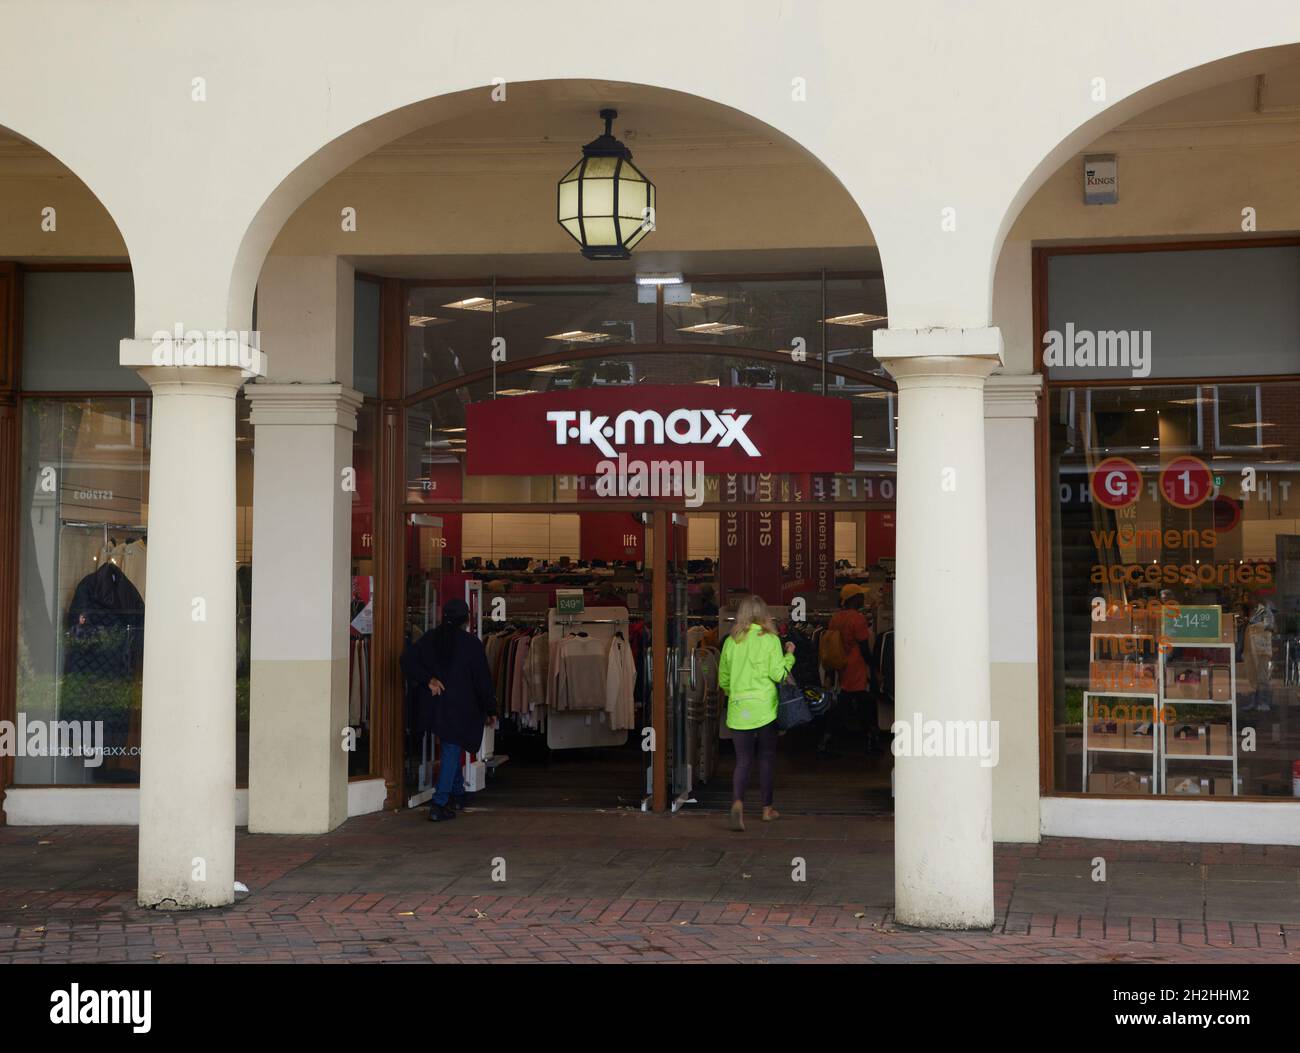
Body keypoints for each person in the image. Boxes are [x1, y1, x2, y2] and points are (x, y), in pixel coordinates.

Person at [400, 598, 497, 822]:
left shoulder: (431, 639)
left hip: (435, 706)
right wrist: (491, 708)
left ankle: (458, 793)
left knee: (450, 747)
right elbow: (482, 680)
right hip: (461, 707)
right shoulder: (471, 644)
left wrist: (429, 680)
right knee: (452, 749)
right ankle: (440, 802)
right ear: (466, 619)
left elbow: (406, 659)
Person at [718, 594, 795, 831]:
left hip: (739, 707)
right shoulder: (770, 639)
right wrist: (790, 654)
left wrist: (736, 694)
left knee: (742, 760)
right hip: (765, 708)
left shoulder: (731, 641)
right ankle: (766, 809)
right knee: (766, 758)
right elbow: (779, 674)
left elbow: (723, 678)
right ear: (764, 614)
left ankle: (738, 802)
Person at [829, 583, 879, 753]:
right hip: (857, 668)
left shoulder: (835, 618)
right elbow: (864, 647)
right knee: (865, 706)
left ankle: (828, 741)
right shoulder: (858, 619)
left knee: (842, 704)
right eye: (861, 596)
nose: (863, 599)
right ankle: (871, 742)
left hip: (841, 666)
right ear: (854, 599)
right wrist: (873, 667)